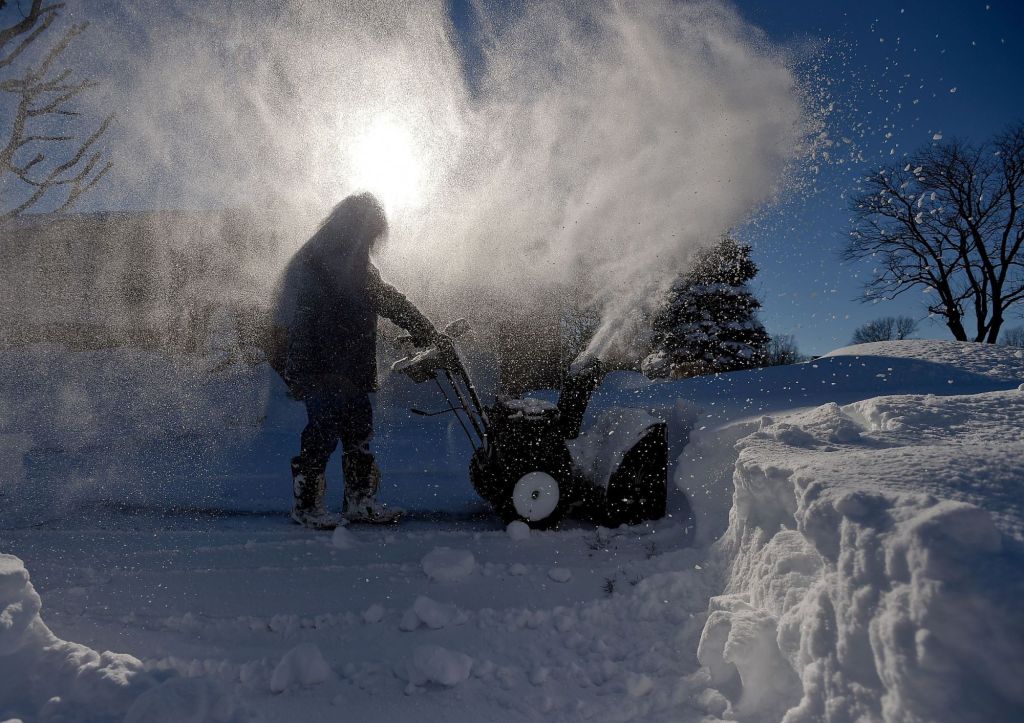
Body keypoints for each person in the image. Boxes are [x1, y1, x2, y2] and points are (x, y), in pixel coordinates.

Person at [271, 193, 438, 529]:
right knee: (324, 432)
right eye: (374, 233)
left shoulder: (344, 259)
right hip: (326, 366)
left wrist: (422, 328)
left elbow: (379, 297)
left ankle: (359, 502)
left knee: (358, 430)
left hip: (346, 365)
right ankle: (306, 507)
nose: (376, 240)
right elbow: (379, 298)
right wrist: (422, 327)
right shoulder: (328, 261)